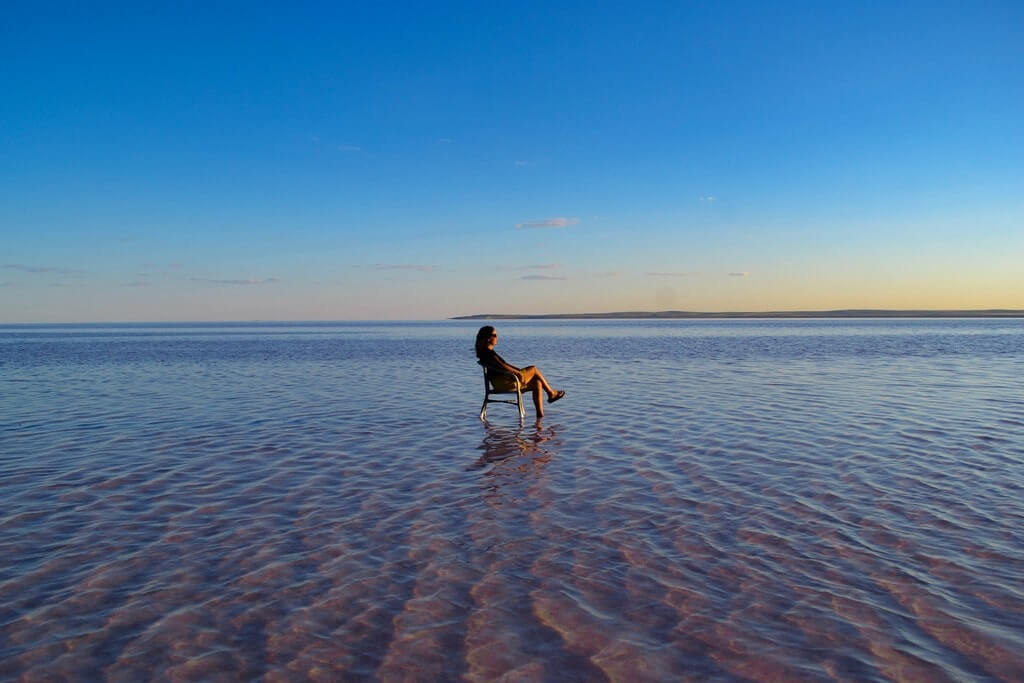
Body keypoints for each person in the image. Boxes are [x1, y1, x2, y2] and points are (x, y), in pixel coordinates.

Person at [475, 325, 565, 418]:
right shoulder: (488, 354)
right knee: (534, 369)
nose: (497, 337)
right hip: (504, 383)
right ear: (488, 338)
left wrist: (518, 370)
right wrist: (518, 373)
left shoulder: (487, 352)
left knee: (537, 383)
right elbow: (503, 366)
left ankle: (540, 417)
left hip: (502, 382)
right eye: (495, 335)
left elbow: (505, 364)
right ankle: (551, 393)